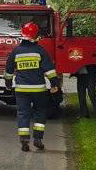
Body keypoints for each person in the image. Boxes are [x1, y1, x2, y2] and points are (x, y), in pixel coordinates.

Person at [4, 22, 60, 152]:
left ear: (22, 35)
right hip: (38, 89)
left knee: (23, 113)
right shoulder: (40, 51)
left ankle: (24, 140)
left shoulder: (16, 51)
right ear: (36, 36)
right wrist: (54, 83)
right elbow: (49, 70)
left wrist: (8, 83)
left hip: (21, 90)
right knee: (40, 112)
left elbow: (8, 70)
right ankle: (38, 139)